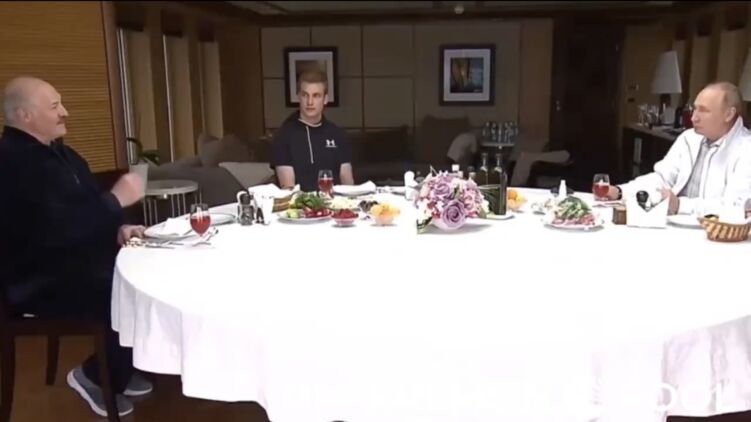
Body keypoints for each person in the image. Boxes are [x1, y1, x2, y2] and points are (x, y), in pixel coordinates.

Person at [0, 76, 150, 417]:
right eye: (55, 106)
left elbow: (85, 209)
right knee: (126, 290)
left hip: (75, 261)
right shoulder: (13, 164)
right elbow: (57, 231)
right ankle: (93, 375)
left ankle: (119, 368)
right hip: (38, 280)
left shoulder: (61, 153)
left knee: (146, 273)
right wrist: (116, 199)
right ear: (24, 115)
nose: (65, 112)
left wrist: (119, 228)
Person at [606, 82, 751, 215]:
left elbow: (737, 206)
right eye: (695, 109)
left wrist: (680, 205)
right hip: (671, 223)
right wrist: (620, 192)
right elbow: (662, 179)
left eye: (704, 111)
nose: (694, 118)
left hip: (715, 231)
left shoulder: (746, 149)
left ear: (728, 114)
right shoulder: (689, 138)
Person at [270, 70, 354, 192]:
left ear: (325, 99)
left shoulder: (338, 134)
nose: (310, 102)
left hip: (335, 202)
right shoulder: (283, 136)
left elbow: (348, 186)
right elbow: (288, 189)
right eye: (305, 95)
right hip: (299, 203)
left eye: (316, 96)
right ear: (298, 97)